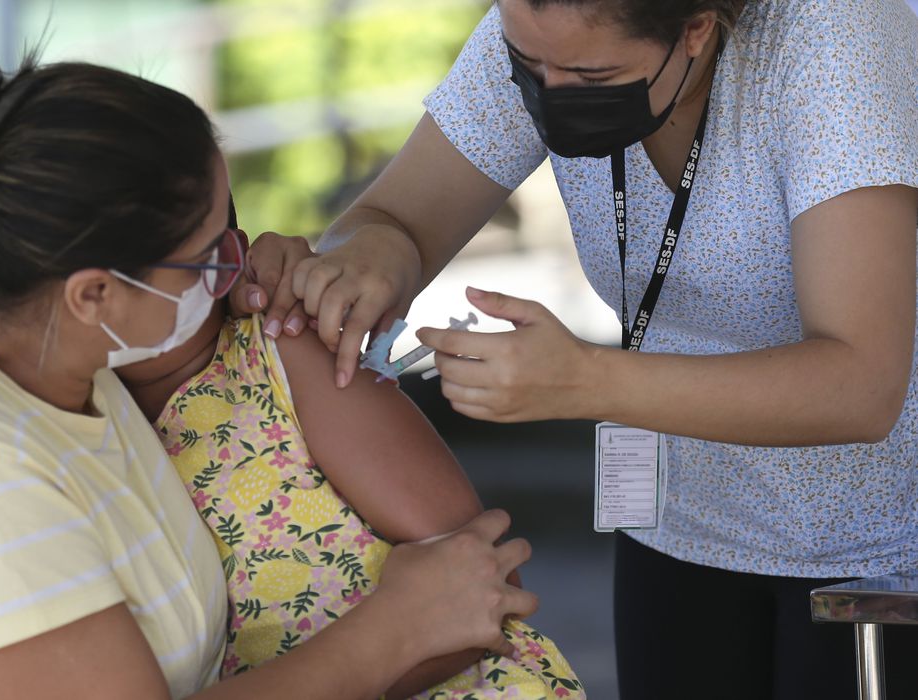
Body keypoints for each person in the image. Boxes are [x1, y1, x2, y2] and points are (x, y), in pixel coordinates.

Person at [0, 57, 538, 700]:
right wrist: (395, 627)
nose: (242, 265)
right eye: (207, 257)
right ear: (93, 293)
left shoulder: (31, 340)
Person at [228, 0, 918, 698]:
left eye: (592, 76)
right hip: (677, 521)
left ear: (696, 30)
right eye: (528, 67)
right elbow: (394, 218)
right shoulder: (543, 28)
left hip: (875, 549)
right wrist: (367, 257)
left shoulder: (834, 38)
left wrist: (585, 381)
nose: (549, 94)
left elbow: (861, 385)